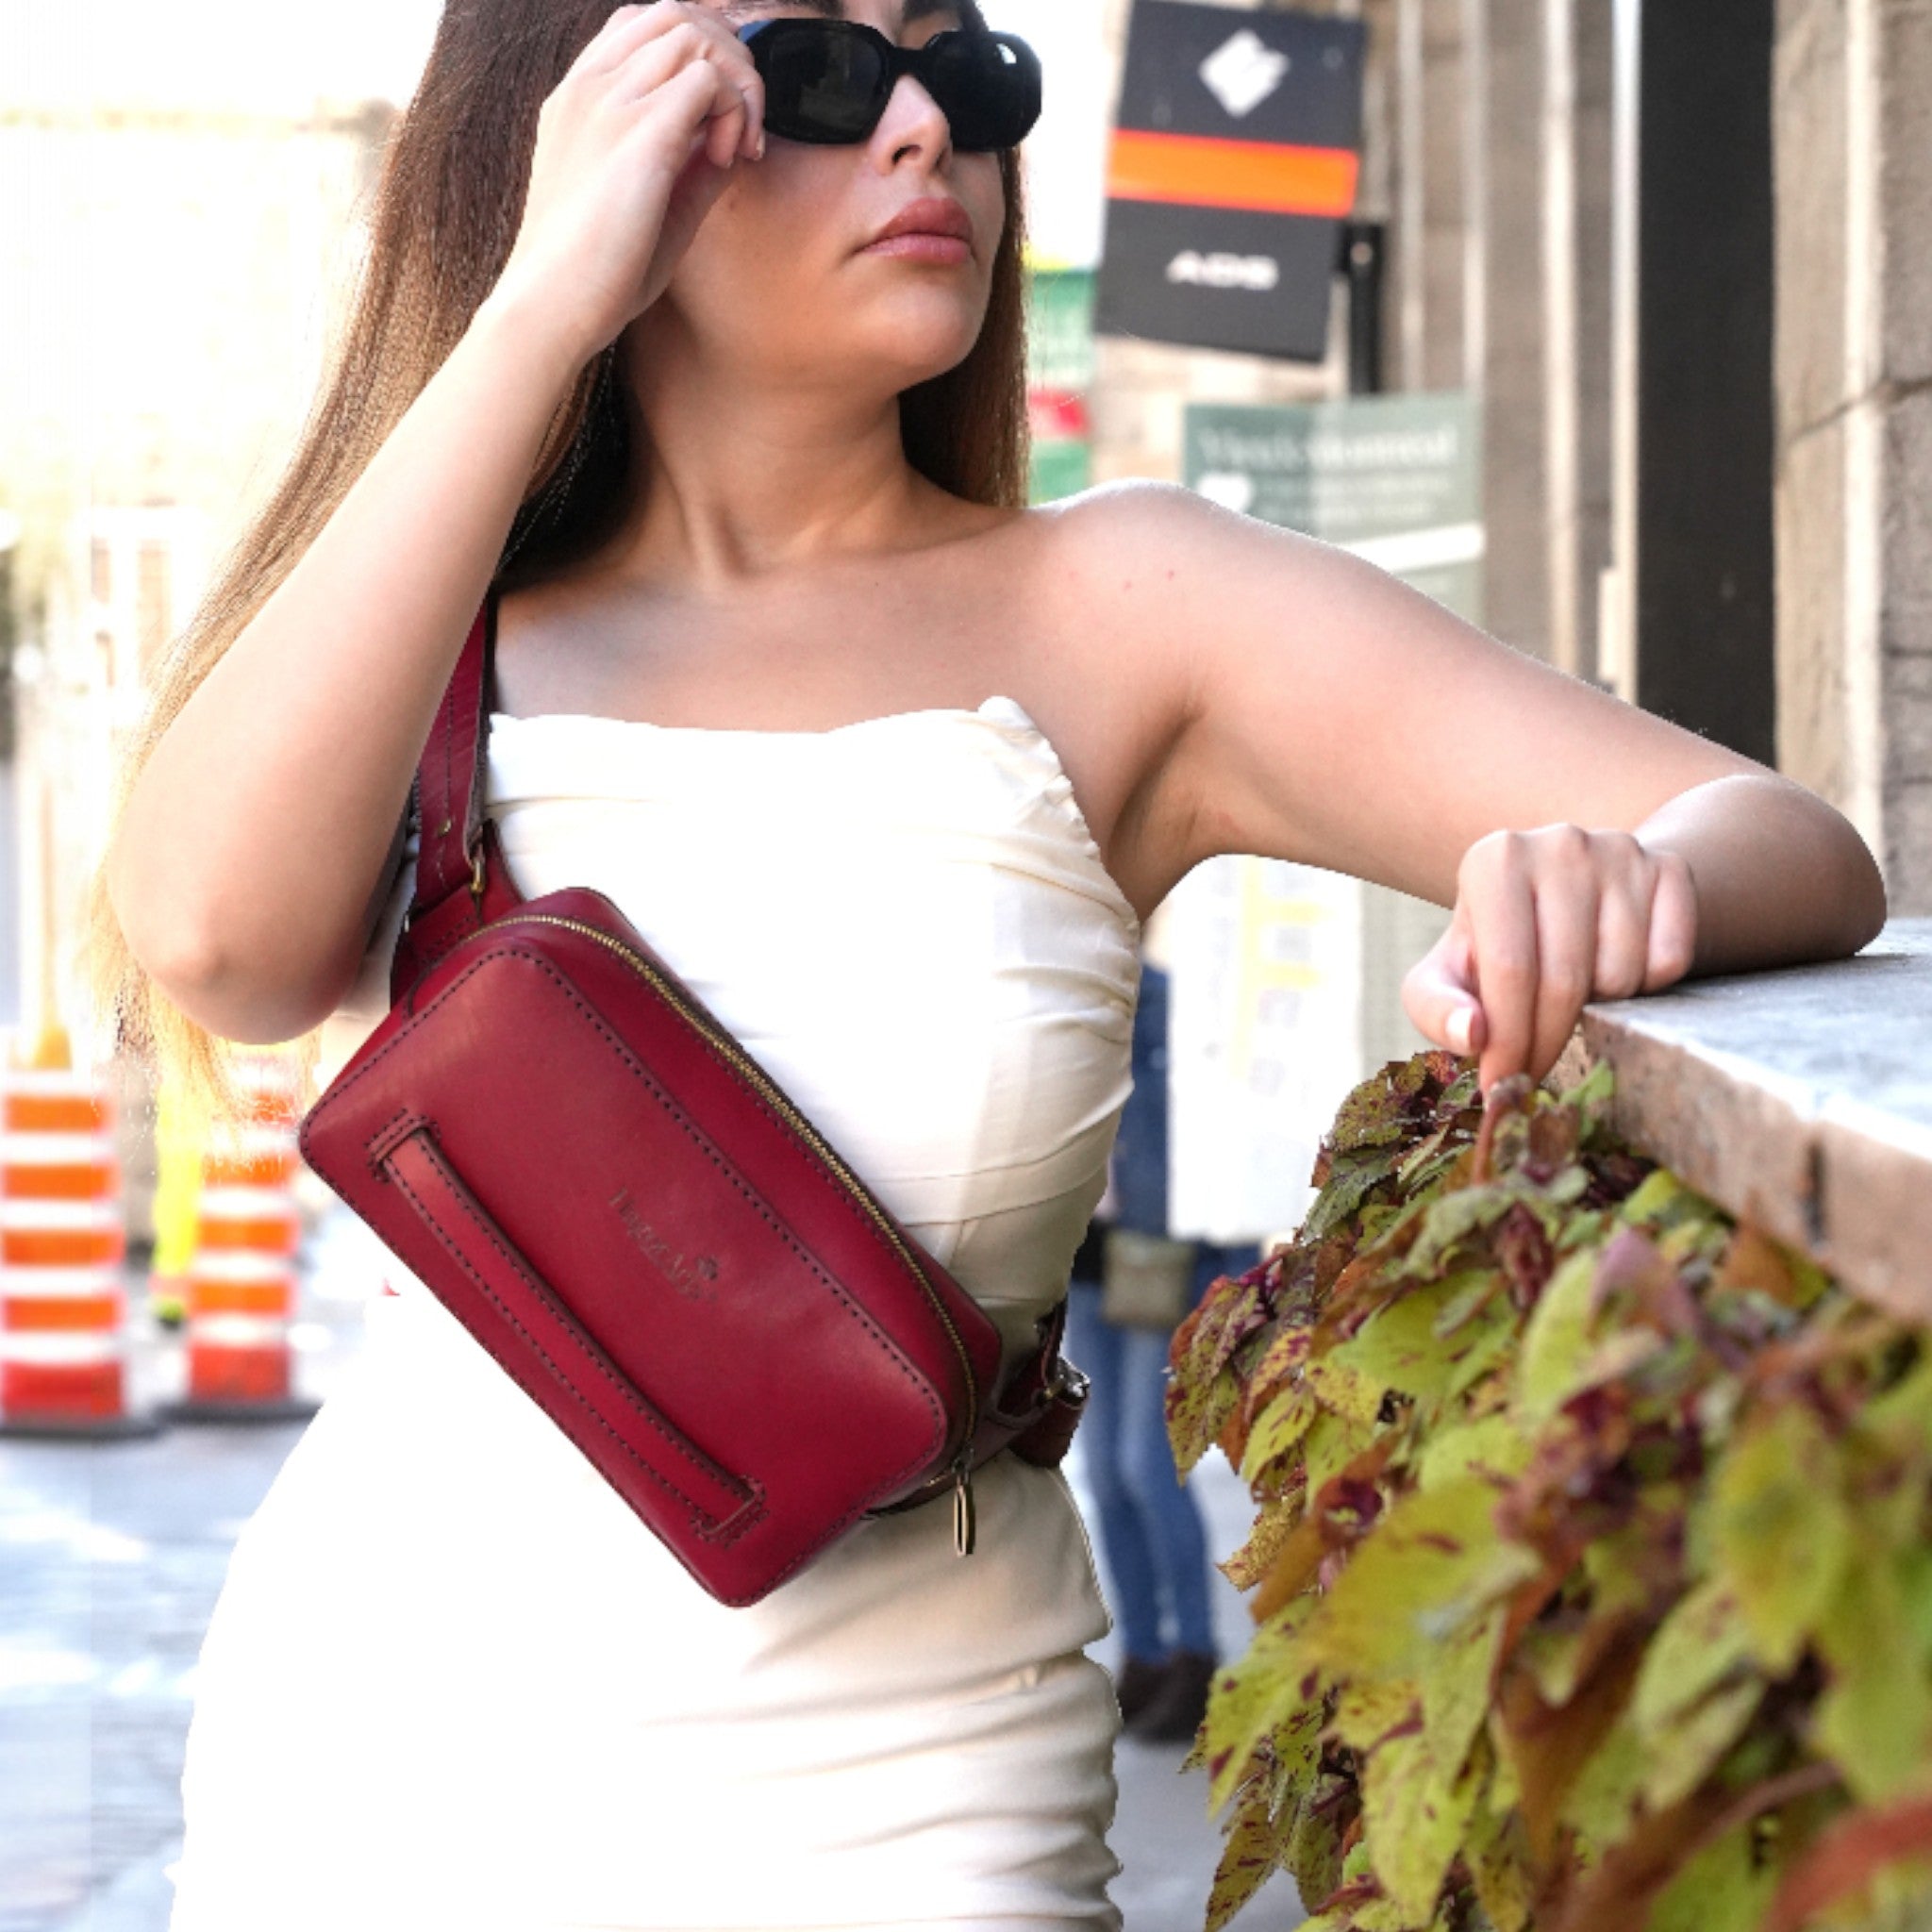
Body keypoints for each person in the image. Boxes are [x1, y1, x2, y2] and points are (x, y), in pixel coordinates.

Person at [88, 1, 1886, 1925]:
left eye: (969, 70)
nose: (926, 130)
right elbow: (214, 938)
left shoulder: (1128, 607)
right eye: (825, 75)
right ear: (588, 117)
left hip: (917, 1802)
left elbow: (1792, 839)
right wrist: (538, 300)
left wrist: (1605, 875)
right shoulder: (429, 638)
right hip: (383, 1776)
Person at [1065, 956, 1261, 1746]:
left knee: (1151, 1464)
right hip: (1080, 1261)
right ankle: (1141, 1654)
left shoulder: (1172, 1009)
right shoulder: (1046, 1009)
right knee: (1105, 1473)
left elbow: (1231, 1142)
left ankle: (1196, 1656)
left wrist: (1240, 1282)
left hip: (1160, 1258)